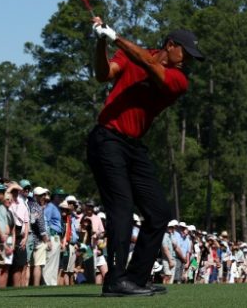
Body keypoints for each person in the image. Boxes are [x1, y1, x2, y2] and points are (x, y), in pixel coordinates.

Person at [87, 18, 204, 297]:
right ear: (171, 45)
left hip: (133, 146)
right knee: (122, 209)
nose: (186, 60)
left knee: (158, 213)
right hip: (106, 139)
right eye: (184, 53)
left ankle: (136, 278)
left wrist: (115, 36)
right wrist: (102, 41)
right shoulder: (134, 54)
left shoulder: (179, 80)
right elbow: (104, 74)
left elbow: (149, 66)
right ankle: (115, 280)